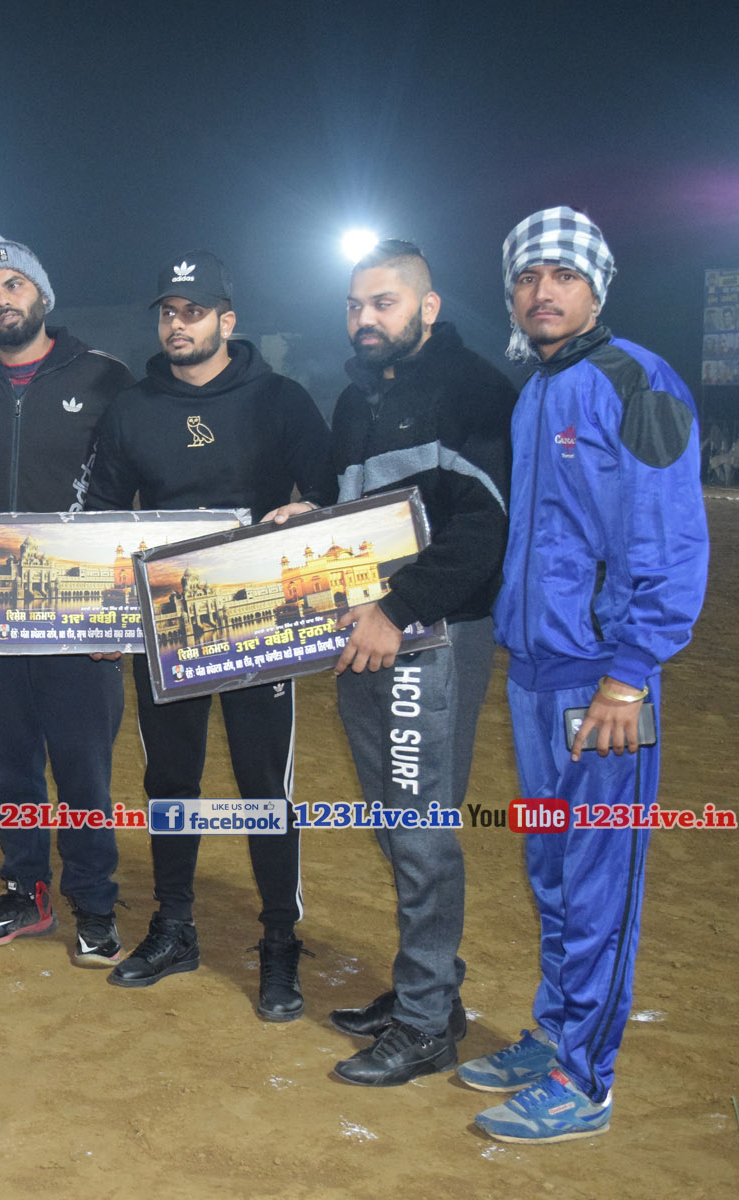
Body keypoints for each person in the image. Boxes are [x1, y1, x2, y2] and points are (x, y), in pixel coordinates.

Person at [466, 208, 707, 1142]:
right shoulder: (538, 389)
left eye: (564, 275)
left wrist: (631, 673)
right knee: (554, 867)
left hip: (605, 683)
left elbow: (670, 538)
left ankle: (586, 1078)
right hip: (534, 674)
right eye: (528, 277)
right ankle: (556, 1033)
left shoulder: (634, 380)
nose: (543, 291)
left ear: (597, 287)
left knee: (601, 875)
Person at [268, 239, 516, 1086]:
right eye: (354, 305)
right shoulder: (355, 400)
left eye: (384, 302)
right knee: (394, 821)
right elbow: (357, 517)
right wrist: (309, 515)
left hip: (431, 638)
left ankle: (425, 1023)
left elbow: (483, 531)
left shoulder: (474, 390)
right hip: (367, 635)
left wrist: (398, 610)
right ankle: (429, 989)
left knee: (419, 828)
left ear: (428, 307)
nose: (365, 318)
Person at [80, 251, 333, 1018]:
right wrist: (104, 615)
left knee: (264, 784)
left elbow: (330, 493)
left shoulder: (281, 399)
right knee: (171, 779)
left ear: (227, 319)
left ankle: (280, 939)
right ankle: (175, 926)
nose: (178, 324)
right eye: (168, 312)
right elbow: (101, 516)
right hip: (170, 624)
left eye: (193, 311)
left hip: (260, 622)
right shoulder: (133, 407)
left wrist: (310, 511)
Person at [0, 232, 135, 963]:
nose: (1, 300)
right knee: (7, 764)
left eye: (12, 284)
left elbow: (140, 485)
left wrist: (125, 611)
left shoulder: (105, 377)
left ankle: (95, 903)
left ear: (41, 293)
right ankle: (26, 890)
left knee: (83, 768)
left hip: (81, 607)